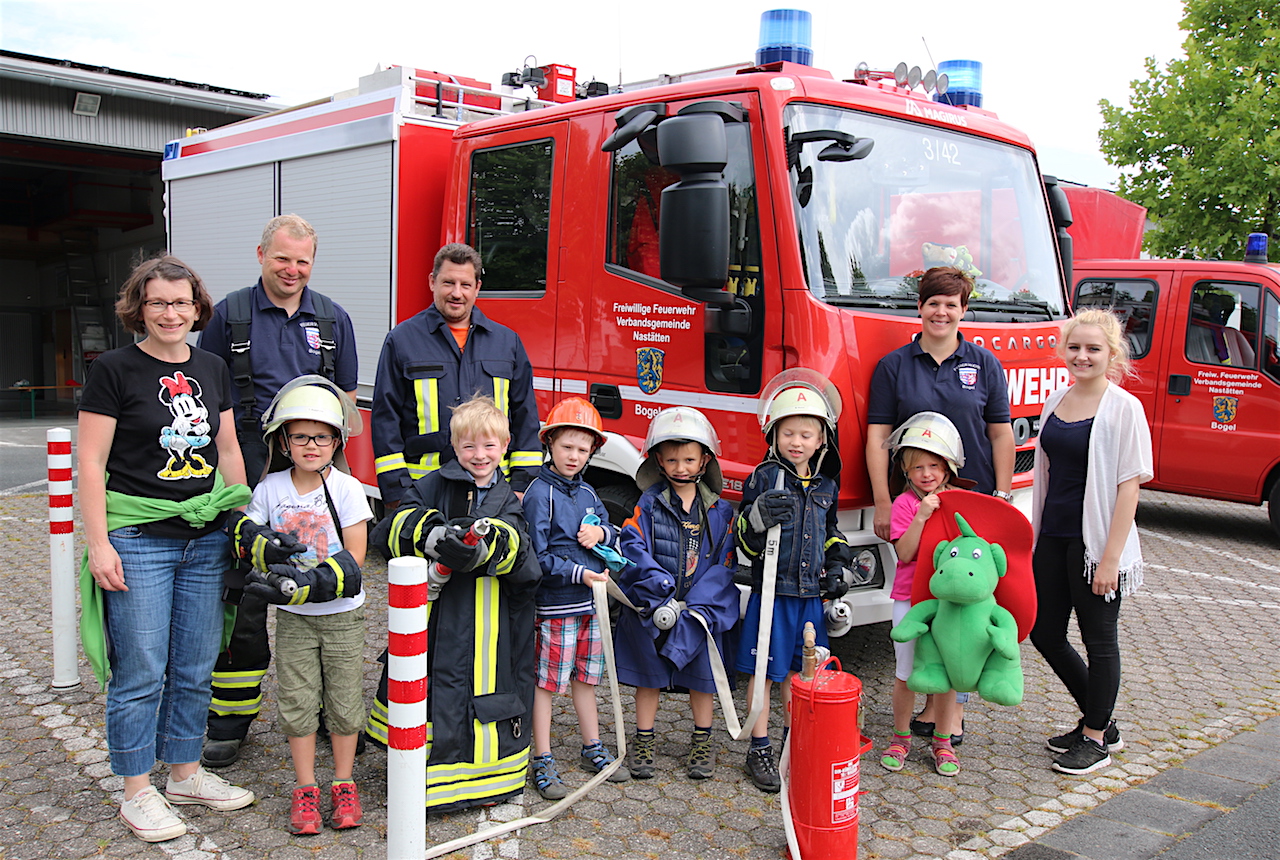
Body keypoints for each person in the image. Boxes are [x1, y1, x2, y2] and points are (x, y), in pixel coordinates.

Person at [78, 255, 255, 843]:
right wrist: (99, 543)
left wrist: (237, 518)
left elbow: (228, 449)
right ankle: (135, 789)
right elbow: (92, 462)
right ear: (139, 307)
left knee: (196, 664)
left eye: (181, 302)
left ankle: (183, 773)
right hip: (138, 539)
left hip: (204, 539)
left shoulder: (211, 367)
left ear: (197, 307)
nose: (171, 312)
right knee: (141, 669)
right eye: (158, 302)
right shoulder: (113, 368)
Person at [197, 214, 359, 768]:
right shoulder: (229, 315)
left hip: (311, 468)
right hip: (243, 465)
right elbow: (202, 395)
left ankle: (318, 712)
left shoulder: (333, 319)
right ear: (261, 254)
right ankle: (229, 719)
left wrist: (339, 484)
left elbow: (346, 402)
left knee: (319, 590)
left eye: (303, 261)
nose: (292, 270)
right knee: (242, 599)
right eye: (282, 258)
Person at [366, 242, 542, 745]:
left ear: (478, 286)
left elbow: (526, 422)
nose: (457, 292)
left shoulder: (506, 342)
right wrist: (401, 501)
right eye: (448, 282)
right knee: (429, 621)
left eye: (467, 283)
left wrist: (521, 492)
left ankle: (486, 735)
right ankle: (414, 729)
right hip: (431, 499)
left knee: (488, 625)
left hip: (493, 501)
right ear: (432, 282)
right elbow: (385, 424)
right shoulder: (403, 341)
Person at [866, 265, 1016, 744]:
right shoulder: (894, 366)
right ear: (920, 307)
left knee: (962, 600)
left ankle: (949, 712)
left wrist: (1005, 497)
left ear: (964, 310)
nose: (942, 311)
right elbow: (877, 438)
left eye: (952, 304)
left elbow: (1000, 433)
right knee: (920, 591)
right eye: (934, 302)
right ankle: (925, 712)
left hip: (971, 503)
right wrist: (884, 499)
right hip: (913, 502)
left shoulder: (985, 364)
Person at [371, 395, 541, 810]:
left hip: (491, 629)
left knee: (484, 699)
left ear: (505, 446)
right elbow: (385, 532)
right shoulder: (431, 485)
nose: (478, 455)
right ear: (453, 445)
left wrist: (488, 551)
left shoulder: (511, 500)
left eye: (488, 446)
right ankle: (420, 778)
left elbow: (528, 567)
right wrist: (429, 535)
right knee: (429, 694)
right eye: (468, 446)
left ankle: (487, 786)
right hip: (437, 620)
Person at [239, 377, 371, 834]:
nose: (310, 445)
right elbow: (249, 539)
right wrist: (260, 555)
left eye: (321, 436)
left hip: (342, 617)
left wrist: (310, 584)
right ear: (283, 441)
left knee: (344, 702)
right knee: (296, 701)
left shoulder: (350, 489)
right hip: (293, 619)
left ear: (337, 440)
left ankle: (343, 783)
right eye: (299, 436)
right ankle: (305, 790)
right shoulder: (270, 489)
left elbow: (354, 557)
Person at [1030, 309, 1151, 775]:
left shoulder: (1124, 408)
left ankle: (1097, 738)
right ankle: (1101, 721)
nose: (1082, 356)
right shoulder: (1056, 399)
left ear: (1112, 354)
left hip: (1095, 544)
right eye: (1075, 347)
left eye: (1093, 349)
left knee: (1100, 641)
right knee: (1044, 633)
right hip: (1053, 538)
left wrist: (1110, 558)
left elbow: (1129, 486)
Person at [735, 373, 852, 792]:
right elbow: (743, 539)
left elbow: (832, 531)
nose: (797, 441)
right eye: (788, 432)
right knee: (763, 673)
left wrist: (838, 564)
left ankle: (794, 744)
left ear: (822, 439)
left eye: (806, 433)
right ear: (773, 434)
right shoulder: (763, 478)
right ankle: (759, 746)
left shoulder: (826, 485)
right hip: (773, 596)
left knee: (803, 676)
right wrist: (758, 515)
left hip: (809, 595)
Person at [615, 407, 739, 782]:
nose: (681, 467)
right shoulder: (648, 504)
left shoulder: (720, 511)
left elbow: (725, 563)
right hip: (653, 608)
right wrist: (659, 591)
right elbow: (633, 547)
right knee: (648, 678)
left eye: (689, 458)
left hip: (700, 612)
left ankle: (702, 742)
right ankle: (644, 741)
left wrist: (700, 606)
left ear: (705, 459)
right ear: (658, 460)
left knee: (703, 678)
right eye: (672, 459)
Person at [522, 398, 631, 799]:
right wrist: (579, 573)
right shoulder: (538, 493)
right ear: (549, 444)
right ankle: (543, 759)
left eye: (583, 449)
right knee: (547, 685)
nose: (574, 455)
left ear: (592, 453)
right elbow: (537, 554)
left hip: (590, 606)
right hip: (555, 607)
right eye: (566, 446)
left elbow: (615, 534)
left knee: (587, 678)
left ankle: (592, 747)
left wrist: (602, 535)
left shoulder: (588, 492)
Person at [877, 412, 975, 777]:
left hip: (948, 603)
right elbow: (904, 553)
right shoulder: (905, 504)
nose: (927, 474)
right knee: (906, 673)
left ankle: (943, 740)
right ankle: (901, 737)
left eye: (934, 465)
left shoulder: (959, 500)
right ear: (906, 470)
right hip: (910, 598)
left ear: (947, 467)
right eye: (918, 467)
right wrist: (920, 515)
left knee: (947, 674)